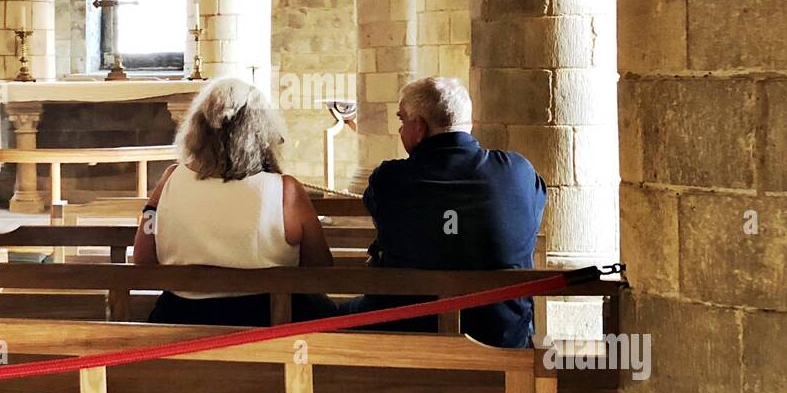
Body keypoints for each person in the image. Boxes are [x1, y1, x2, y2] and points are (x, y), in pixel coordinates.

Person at [352, 76, 547, 348]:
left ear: (418, 127)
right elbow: (533, 212)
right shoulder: (517, 173)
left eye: (401, 121)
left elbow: (379, 211)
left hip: (407, 338)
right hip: (500, 339)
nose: (400, 131)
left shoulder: (390, 179)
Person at [133, 76, 335, 326]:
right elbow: (320, 268)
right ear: (263, 132)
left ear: (198, 128)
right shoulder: (286, 192)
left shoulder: (170, 180)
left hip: (182, 317)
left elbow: (143, 256)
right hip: (268, 321)